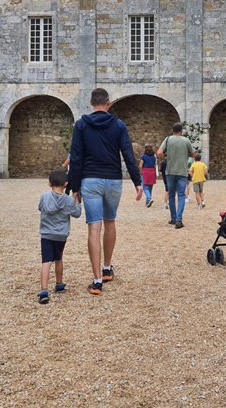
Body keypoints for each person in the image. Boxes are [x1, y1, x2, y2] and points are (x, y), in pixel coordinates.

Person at [68, 88, 142, 295]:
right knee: (110, 222)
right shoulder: (118, 125)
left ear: (91, 102)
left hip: (90, 179)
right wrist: (138, 182)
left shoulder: (81, 125)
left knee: (94, 227)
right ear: (108, 102)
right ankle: (107, 267)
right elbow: (127, 153)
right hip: (113, 180)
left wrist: (75, 187)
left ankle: (97, 280)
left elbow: (76, 157)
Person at [37, 169, 81, 304]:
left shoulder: (44, 197)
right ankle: (59, 284)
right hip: (61, 235)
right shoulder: (68, 201)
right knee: (58, 258)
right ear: (66, 184)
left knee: (46, 261)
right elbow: (77, 214)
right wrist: (77, 202)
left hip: (46, 234)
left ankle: (44, 290)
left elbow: (40, 208)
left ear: (49, 184)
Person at [157, 123, 195, 228]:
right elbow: (193, 154)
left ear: (172, 130)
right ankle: (179, 219)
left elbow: (159, 153)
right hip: (182, 172)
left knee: (171, 195)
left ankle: (173, 218)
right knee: (181, 195)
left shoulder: (168, 139)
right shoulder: (186, 140)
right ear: (181, 131)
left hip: (170, 171)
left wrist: (167, 155)